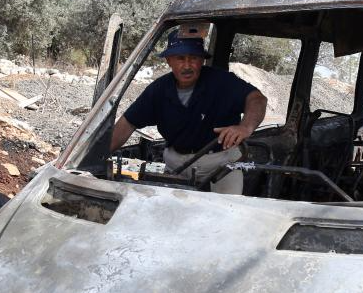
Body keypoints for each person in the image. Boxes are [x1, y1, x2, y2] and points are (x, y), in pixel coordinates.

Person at [110, 30, 267, 194]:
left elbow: (257, 99)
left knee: (228, 207)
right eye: (180, 58)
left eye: (193, 58)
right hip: (175, 164)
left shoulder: (222, 82)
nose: (187, 66)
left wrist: (245, 127)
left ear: (202, 60)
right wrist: (98, 155)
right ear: (169, 61)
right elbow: (128, 123)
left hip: (221, 163)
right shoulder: (158, 89)